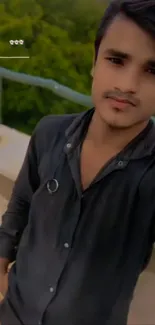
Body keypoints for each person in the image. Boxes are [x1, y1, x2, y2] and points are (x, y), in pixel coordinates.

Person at [1, 0, 155, 324]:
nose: (127, 85)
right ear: (94, 62)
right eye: (116, 60)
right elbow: (21, 206)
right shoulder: (48, 133)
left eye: (152, 71)